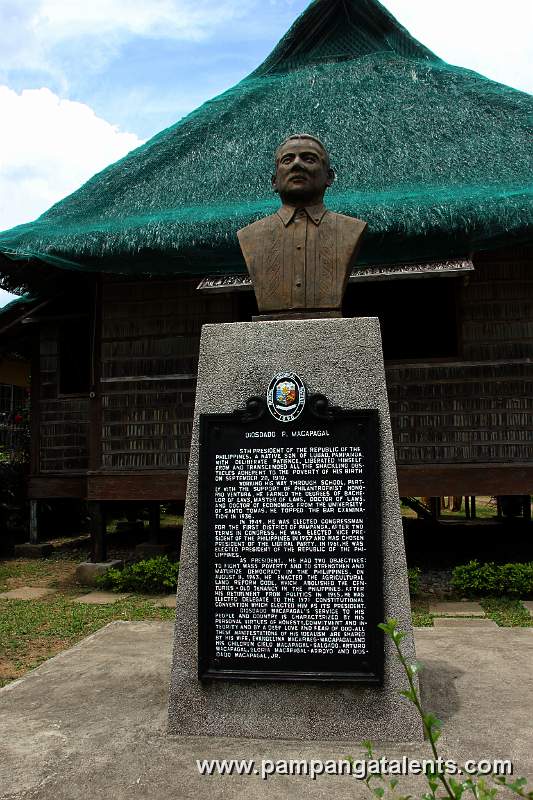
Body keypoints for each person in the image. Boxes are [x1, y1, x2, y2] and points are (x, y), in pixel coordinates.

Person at [237, 133, 367, 319]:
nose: (297, 164)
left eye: (309, 158)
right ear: (274, 181)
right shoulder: (249, 236)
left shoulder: (351, 230)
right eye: (287, 160)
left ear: (329, 177)